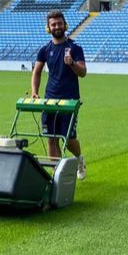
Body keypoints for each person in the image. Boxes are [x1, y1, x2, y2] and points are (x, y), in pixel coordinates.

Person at [31, 10, 87, 180]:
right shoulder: (44, 50)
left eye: (59, 23)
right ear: (48, 27)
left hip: (69, 101)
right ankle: (55, 175)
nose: (57, 27)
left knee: (69, 140)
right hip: (49, 100)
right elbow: (37, 72)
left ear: (65, 25)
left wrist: (71, 65)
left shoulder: (75, 48)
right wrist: (34, 91)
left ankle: (79, 159)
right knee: (51, 138)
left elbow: (83, 72)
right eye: (53, 24)